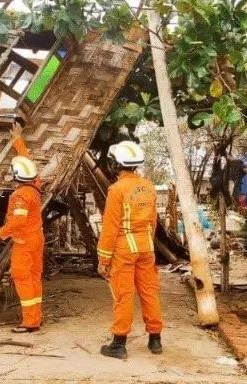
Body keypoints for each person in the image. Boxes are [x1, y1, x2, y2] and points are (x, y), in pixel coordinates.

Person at [97, 140, 163, 359]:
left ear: (116, 164)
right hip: (146, 246)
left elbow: (110, 226)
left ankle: (118, 344)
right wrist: (148, 243)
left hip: (125, 248)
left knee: (124, 295)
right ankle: (155, 340)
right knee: (149, 292)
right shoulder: (149, 187)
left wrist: (103, 259)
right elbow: (153, 221)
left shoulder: (116, 189)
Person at [0, 123, 44, 333]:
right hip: (36, 239)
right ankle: (36, 318)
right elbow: (28, 164)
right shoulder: (35, 185)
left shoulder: (20, 195)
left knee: (22, 278)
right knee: (34, 278)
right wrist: (18, 142)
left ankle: (30, 322)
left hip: (24, 242)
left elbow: (18, 222)